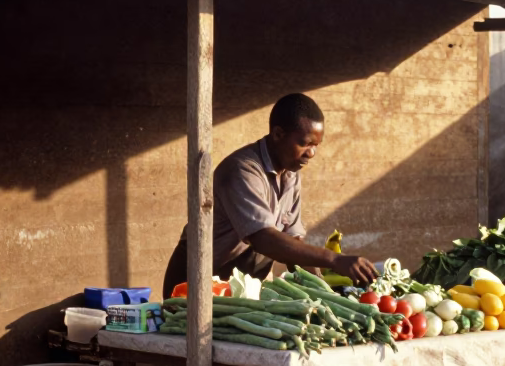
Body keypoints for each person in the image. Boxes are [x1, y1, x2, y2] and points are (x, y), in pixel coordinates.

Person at [162, 93, 378, 297]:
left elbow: (293, 240)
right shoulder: (242, 170)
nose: (311, 153)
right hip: (195, 284)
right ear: (277, 134)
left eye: (315, 145)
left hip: (242, 287)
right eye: (304, 143)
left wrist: (323, 292)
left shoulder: (290, 173)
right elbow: (264, 239)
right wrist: (334, 259)